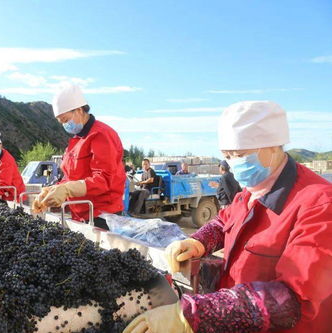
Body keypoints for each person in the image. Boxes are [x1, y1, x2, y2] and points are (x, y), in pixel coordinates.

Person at [124, 101, 332, 333]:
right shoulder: (250, 191)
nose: (233, 163)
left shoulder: (319, 204)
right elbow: (224, 221)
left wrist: (192, 315)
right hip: (239, 318)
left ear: (273, 146)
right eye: (227, 155)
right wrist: (198, 241)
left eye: (240, 155)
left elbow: (293, 298)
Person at [32, 84, 126, 230]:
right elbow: (70, 178)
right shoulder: (75, 141)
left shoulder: (101, 135)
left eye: (65, 119)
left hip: (103, 216)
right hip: (80, 213)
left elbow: (104, 180)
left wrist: (67, 189)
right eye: (61, 122)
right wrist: (52, 190)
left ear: (79, 110)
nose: (65, 125)